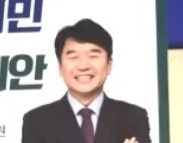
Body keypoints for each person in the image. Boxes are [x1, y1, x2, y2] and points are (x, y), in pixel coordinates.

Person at [21, 18, 151, 143]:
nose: (83, 66)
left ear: (109, 65)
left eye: (93, 56)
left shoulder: (134, 117)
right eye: (73, 57)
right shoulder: (36, 121)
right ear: (60, 67)